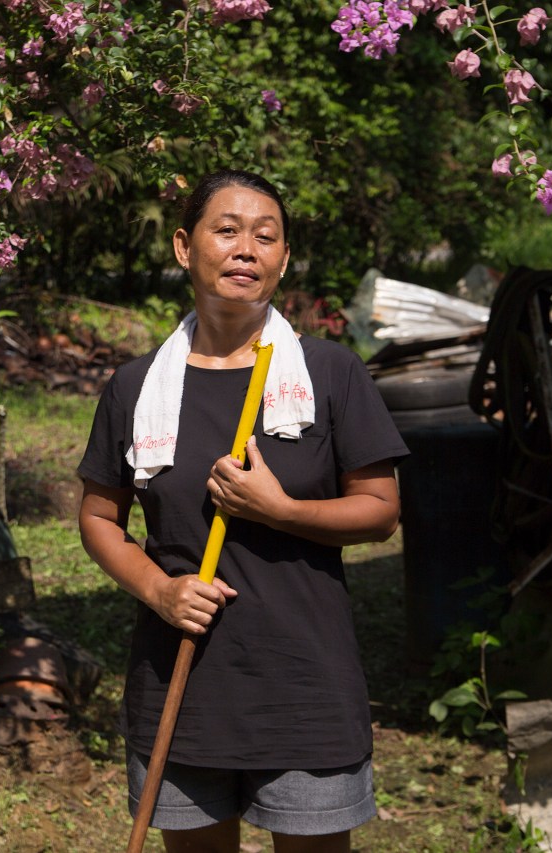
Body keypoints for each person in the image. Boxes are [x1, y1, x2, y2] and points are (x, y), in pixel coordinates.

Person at [77, 169, 409, 853]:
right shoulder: (138, 387)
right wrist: (159, 589)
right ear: (183, 246)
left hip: (305, 682)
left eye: (266, 236)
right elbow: (99, 516)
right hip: (183, 680)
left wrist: (281, 509)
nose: (246, 249)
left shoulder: (330, 375)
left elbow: (381, 511)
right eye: (226, 231)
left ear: (283, 259)